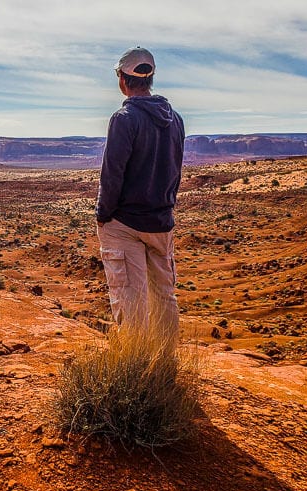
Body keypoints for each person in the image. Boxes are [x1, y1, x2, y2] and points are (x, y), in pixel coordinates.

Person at [95, 46, 185, 353]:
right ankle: (164, 365)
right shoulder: (175, 119)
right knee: (164, 295)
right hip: (161, 221)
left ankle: (135, 366)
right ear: (150, 78)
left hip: (126, 223)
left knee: (129, 296)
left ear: (122, 79)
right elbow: (176, 167)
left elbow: (112, 174)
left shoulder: (124, 119)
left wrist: (103, 214)